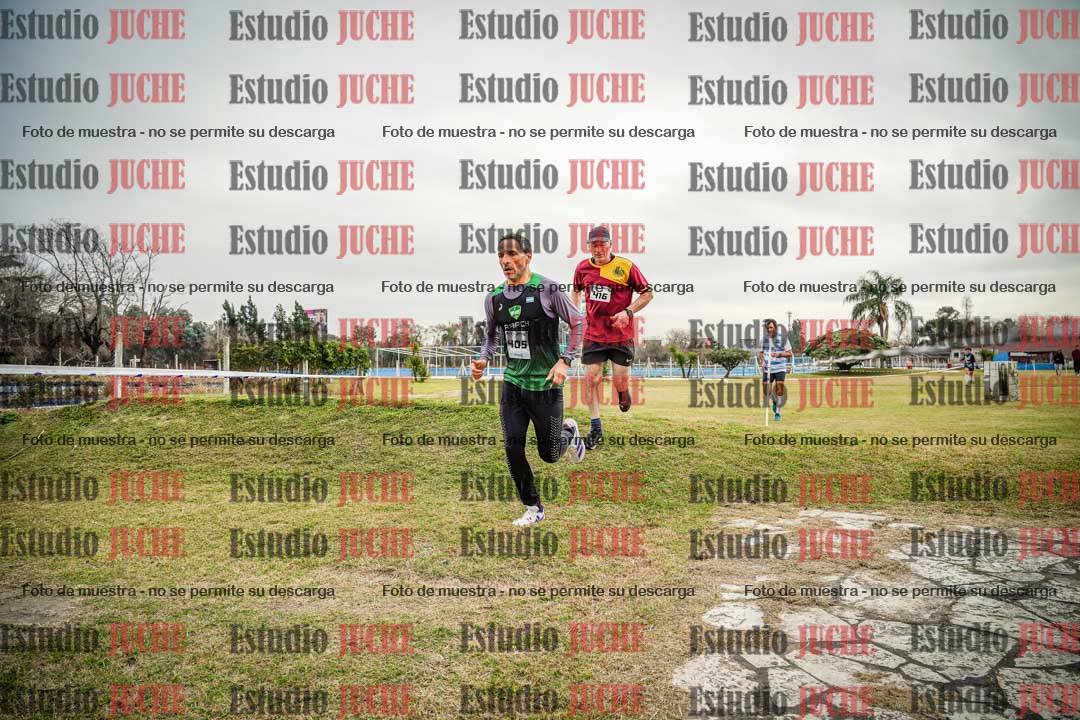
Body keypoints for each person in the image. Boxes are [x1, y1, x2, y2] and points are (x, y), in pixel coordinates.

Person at [472, 233, 585, 527]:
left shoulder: (547, 289)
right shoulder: (494, 298)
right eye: (500, 255)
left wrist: (565, 360)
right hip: (514, 384)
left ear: (528, 256)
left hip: (545, 385)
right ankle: (533, 507)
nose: (505, 260)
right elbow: (490, 337)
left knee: (549, 454)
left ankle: (569, 431)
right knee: (512, 447)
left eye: (511, 254)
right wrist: (483, 358)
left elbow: (578, 322)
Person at [570, 226, 654, 449]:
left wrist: (628, 312)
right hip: (594, 334)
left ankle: (622, 391)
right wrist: (574, 314)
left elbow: (647, 293)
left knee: (620, 380)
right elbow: (576, 290)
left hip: (620, 336)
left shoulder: (626, 266)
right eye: (593, 245)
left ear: (610, 245)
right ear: (588, 247)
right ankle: (595, 427)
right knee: (591, 378)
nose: (598, 249)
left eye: (602, 244)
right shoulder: (582, 268)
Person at [758, 319, 792, 422]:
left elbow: (789, 353)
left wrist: (779, 354)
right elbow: (761, 353)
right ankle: (774, 402)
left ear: (775, 327)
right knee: (766, 391)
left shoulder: (783, 338)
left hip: (780, 368)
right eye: (767, 328)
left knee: (779, 389)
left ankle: (778, 412)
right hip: (767, 368)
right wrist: (762, 361)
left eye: (771, 327)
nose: (769, 329)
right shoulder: (763, 340)